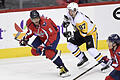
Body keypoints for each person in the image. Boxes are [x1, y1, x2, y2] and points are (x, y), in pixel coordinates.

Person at [19, 10, 70, 77]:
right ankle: (55, 52)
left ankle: (63, 68)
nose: (36, 20)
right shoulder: (29, 23)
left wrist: (43, 46)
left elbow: (52, 35)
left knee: (49, 53)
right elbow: (30, 31)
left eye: (37, 18)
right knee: (34, 51)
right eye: (34, 19)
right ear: (31, 19)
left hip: (53, 36)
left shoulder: (45, 23)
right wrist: (25, 39)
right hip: (42, 36)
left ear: (39, 17)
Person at [61, 2, 110, 69]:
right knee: (70, 44)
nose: (69, 12)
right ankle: (83, 59)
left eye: (71, 11)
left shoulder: (79, 19)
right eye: (69, 10)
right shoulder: (69, 14)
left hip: (90, 34)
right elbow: (65, 22)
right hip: (81, 33)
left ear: (75, 10)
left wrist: (72, 35)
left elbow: (84, 33)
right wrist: (64, 27)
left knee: (91, 50)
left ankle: (105, 63)